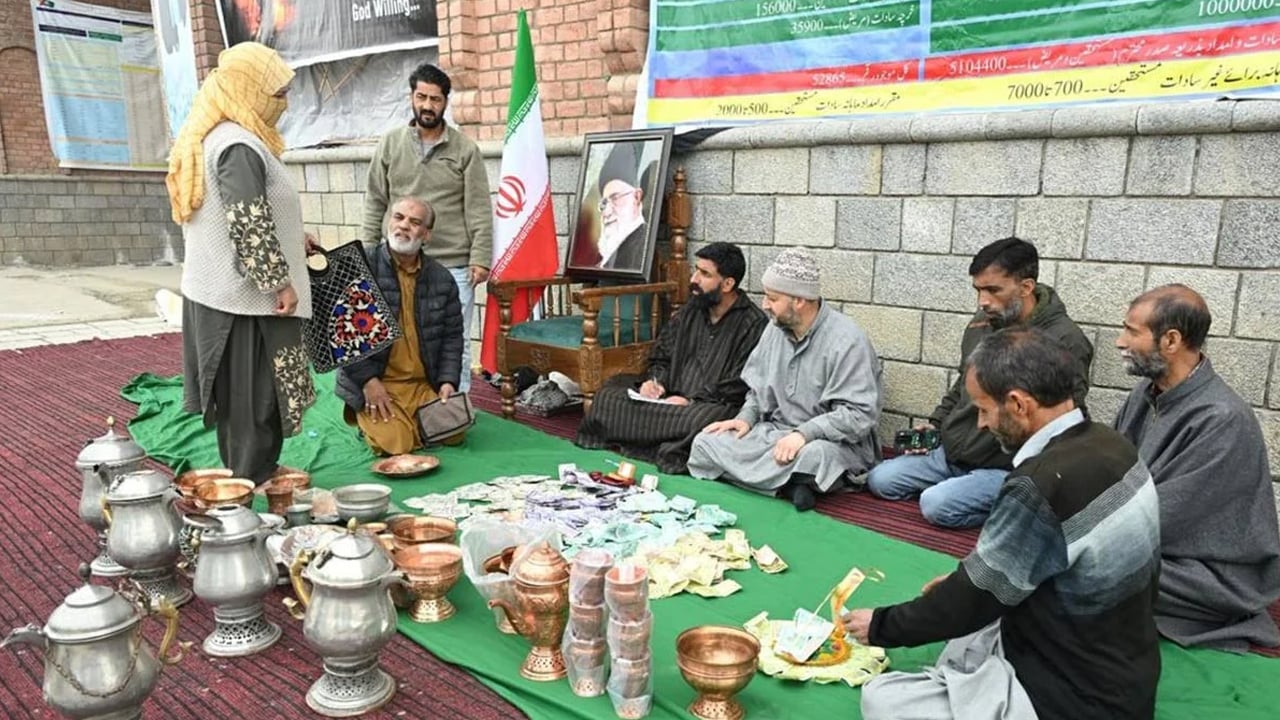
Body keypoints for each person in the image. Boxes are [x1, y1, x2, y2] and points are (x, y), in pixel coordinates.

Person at [845, 328, 1161, 720]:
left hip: (1079, 697)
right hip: (1126, 669)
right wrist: (966, 584)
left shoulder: (1040, 483)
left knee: (883, 699)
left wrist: (881, 625)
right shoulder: (1112, 444)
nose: (980, 424)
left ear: (1017, 404)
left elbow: (974, 598)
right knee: (965, 636)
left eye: (983, 409)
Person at [866, 237, 1094, 528]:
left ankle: (1011, 502)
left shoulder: (1065, 341)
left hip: (1005, 467)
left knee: (935, 505)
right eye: (978, 289)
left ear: (1026, 287)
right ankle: (960, 487)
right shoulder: (981, 322)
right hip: (951, 453)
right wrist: (936, 425)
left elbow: (1066, 422)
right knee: (880, 480)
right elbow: (962, 384)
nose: (982, 301)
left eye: (992, 290)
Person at [168, 42, 315, 486]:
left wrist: (294, 238)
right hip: (244, 305)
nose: (284, 104)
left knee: (257, 397)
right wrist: (279, 283)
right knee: (252, 402)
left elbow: (255, 212)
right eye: (277, 93)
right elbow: (247, 222)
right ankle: (244, 494)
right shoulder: (236, 145)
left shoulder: (232, 137)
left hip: (236, 298)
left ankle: (259, 473)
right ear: (247, 90)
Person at [1113, 284, 1280, 651]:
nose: (1119, 341)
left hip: (1210, 574)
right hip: (1149, 541)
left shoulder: (1223, 419)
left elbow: (1159, 515)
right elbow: (1108, 468)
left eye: (1131, 330)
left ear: (1170, 341)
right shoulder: (1145, 393)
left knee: (1087, 570)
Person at [687, 247, 881, 511]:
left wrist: (804, 434)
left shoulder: (847, 341)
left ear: (799, 301)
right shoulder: (774, 329)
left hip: (826, 441)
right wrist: (745, 419)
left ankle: (780, 480)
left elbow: (859, 416)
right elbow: (756, 392)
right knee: (705, 442)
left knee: (814, 458)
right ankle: (790, 486)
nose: (765, 305)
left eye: (772, 298)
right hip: (774, 435)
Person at [575, 242, 767, 473]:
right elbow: (661, 356)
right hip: (669, 398)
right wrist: (655, 383)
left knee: (701, 422)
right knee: (608, 395)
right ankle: (658, 436)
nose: (694, 279)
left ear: (727, 284)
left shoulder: (753, 324)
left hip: (711, 404)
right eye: (695, 270)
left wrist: (691, 401)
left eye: (704, 274)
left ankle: (656, 440)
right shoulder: (690, 310)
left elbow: (739, 383)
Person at [362, 63, 492, 393]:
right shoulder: (390, 144)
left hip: (452, 263)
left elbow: (478, 207)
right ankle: (407, 405)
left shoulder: (465, 150)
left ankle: (454, 410)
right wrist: (366, 251)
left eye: (435, 99)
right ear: (412, 97)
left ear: (445, 102)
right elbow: (375, 199)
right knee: (398, 337)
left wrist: (481, 257)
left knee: (452, 340)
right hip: (395, 260)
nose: (427, 105)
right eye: (421, 97)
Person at [336, 197, 466, 455]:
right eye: (398, 217)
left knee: (455, 432)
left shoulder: (442, 278)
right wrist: (368, 382)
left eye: (415, 222)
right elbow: (341, 336)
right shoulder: (359, 266)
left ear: (426, 234)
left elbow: (452, 337)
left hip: (420, 385)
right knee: (397, 445)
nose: (404, 226)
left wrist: (447, 382)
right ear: (388, 222)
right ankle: (375, 422)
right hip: (378, 383)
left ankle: (407, 423)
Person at [569, 142, 651, 272]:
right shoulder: (609, 252)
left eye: (615, 198)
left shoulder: (643, 246)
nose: (606, 212)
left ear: (636, 197)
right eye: (604, 203)